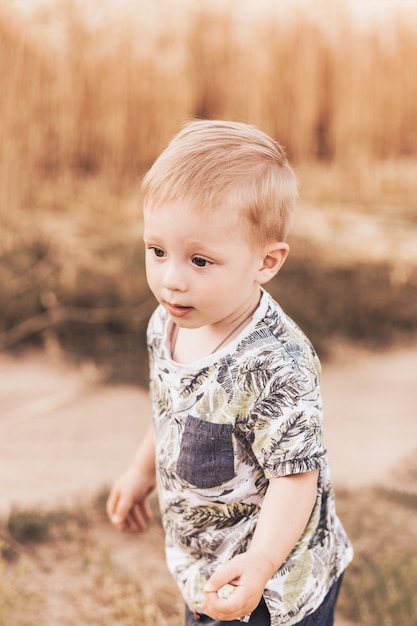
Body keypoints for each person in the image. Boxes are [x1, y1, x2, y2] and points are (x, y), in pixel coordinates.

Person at [106, 120, 353, 626]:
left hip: (273, 586)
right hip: (206, 566)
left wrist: (261, 565)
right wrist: (138, 471)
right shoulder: (167, 324)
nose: (171, 279)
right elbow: (171, 411)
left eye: (200, 260)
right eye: (157, 251)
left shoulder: (273, 363)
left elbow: (297, 479)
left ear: (266, 261)